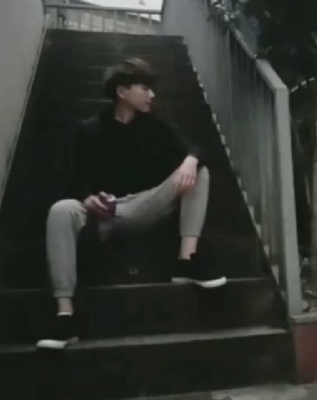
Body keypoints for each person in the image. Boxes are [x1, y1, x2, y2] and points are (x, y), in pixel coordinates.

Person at [37, 58, 227, 349]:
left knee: (198, 170)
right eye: (145, 88)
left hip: (143, 207)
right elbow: (74, 180)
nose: (152, 95)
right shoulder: (90, 130)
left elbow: (196, 148)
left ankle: (186, 260)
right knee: (60, 210)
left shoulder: (155, 126)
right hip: (103, 214)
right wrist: (87, 198)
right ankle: (65, 315)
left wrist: (190, 159)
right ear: (122, 91)